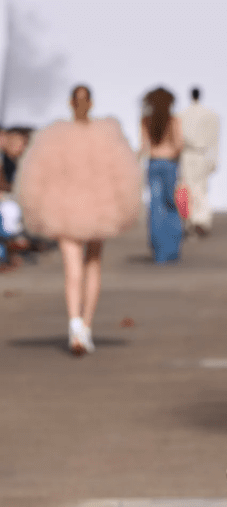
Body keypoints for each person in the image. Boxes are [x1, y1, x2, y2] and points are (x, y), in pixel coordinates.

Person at [16, 86, 140, 354]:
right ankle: (85, 327)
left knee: (72, 270)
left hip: (65, 209)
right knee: (92, 267)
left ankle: (75, 326)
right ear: (91, 103)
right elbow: (122, 176)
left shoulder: (55, 136)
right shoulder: (106, 135)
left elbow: (38, 177)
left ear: (70, 103)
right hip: (98, 209)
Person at [140, 87, 183, 262]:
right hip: (170, 163)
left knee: (156, 207)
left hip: (153, 162)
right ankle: (172, 249)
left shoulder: (145, 120)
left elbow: (143, 146)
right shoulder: (173, 120)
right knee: (171, 206)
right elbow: (178, 144)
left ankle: (159, 252)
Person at [179, 87, 220, 236]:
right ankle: (201, 220)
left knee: (189, 187)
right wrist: (215, 159)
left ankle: (192, 220)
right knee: (201, 188)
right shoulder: (210, 114)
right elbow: (215, 139)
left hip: (187, 155)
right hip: (202, 154)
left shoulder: (181, 115)